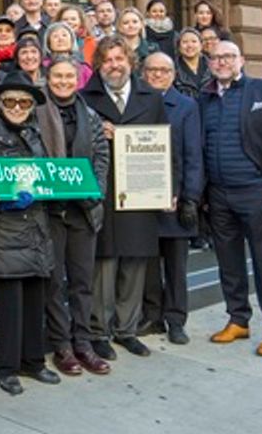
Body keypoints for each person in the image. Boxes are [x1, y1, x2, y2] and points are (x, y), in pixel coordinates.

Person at [199, 40, 262, 357]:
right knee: (229, 263)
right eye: (215, 57)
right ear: (209, 63)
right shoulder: (205, 97)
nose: (221, 62)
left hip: (255, 191)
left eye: (228, 56)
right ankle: (238, 319)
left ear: (242, 59)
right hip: (219, 194)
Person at [80, 35, 168, 360]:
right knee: (103, 263)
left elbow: (165, 146)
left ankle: (127, 329)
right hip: (103, 191)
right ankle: (99, 331)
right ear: (98, 66)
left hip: (141, 191)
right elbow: (74, 144)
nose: (114, 65)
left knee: (134, 261)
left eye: (119, 59)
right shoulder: (84, 98)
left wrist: (167, 188)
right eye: (107, 60)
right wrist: (94, 134)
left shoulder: (152, 99)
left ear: (130, 62)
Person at [0, 75, 61, 395]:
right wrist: (1, 197)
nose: (17, 107)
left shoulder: (35, 134)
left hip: (36, 225)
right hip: (5, 230)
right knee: (8, 303)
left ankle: (34, 360)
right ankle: (7, 367)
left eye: (24, 102)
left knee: (35, 297)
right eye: (9, 101)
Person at [43, 56, 111, 377]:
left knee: (82, 281)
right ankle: (62, 345)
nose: (63, 82)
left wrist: (94, 191)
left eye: (69, 76)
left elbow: (101, 157)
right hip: (52, 210)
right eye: (57, 76)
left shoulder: (91, 115)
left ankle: (83, 341)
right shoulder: (37, 112)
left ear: (78, 79)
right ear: (48, 77)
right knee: (55, 282)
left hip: (83, 209)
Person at [138, 52, 203, 345]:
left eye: (163, 70)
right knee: (148, 263)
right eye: (151, 70)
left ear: (173, 74)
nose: (157, 75)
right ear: (143, 73)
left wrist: (190, 197)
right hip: (143, 198)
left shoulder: (187, 106)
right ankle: (152, 316)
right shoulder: (136, 103)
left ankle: (176, 319)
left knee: (176, 267)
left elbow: (193, 155)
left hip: (176, 201)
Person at [45, 21, 93, 90]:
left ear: (72, 41)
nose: (60, 39)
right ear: (48, 43)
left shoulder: (84, 69)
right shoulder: (42, 67)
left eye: (64, 35)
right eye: (55, 36)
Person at [174, 27, 210, 99]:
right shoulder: (173, 69)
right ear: (178, 46)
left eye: (194, 41)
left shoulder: (213, 67)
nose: (189, 45)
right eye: (185, 42)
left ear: (201, 45)